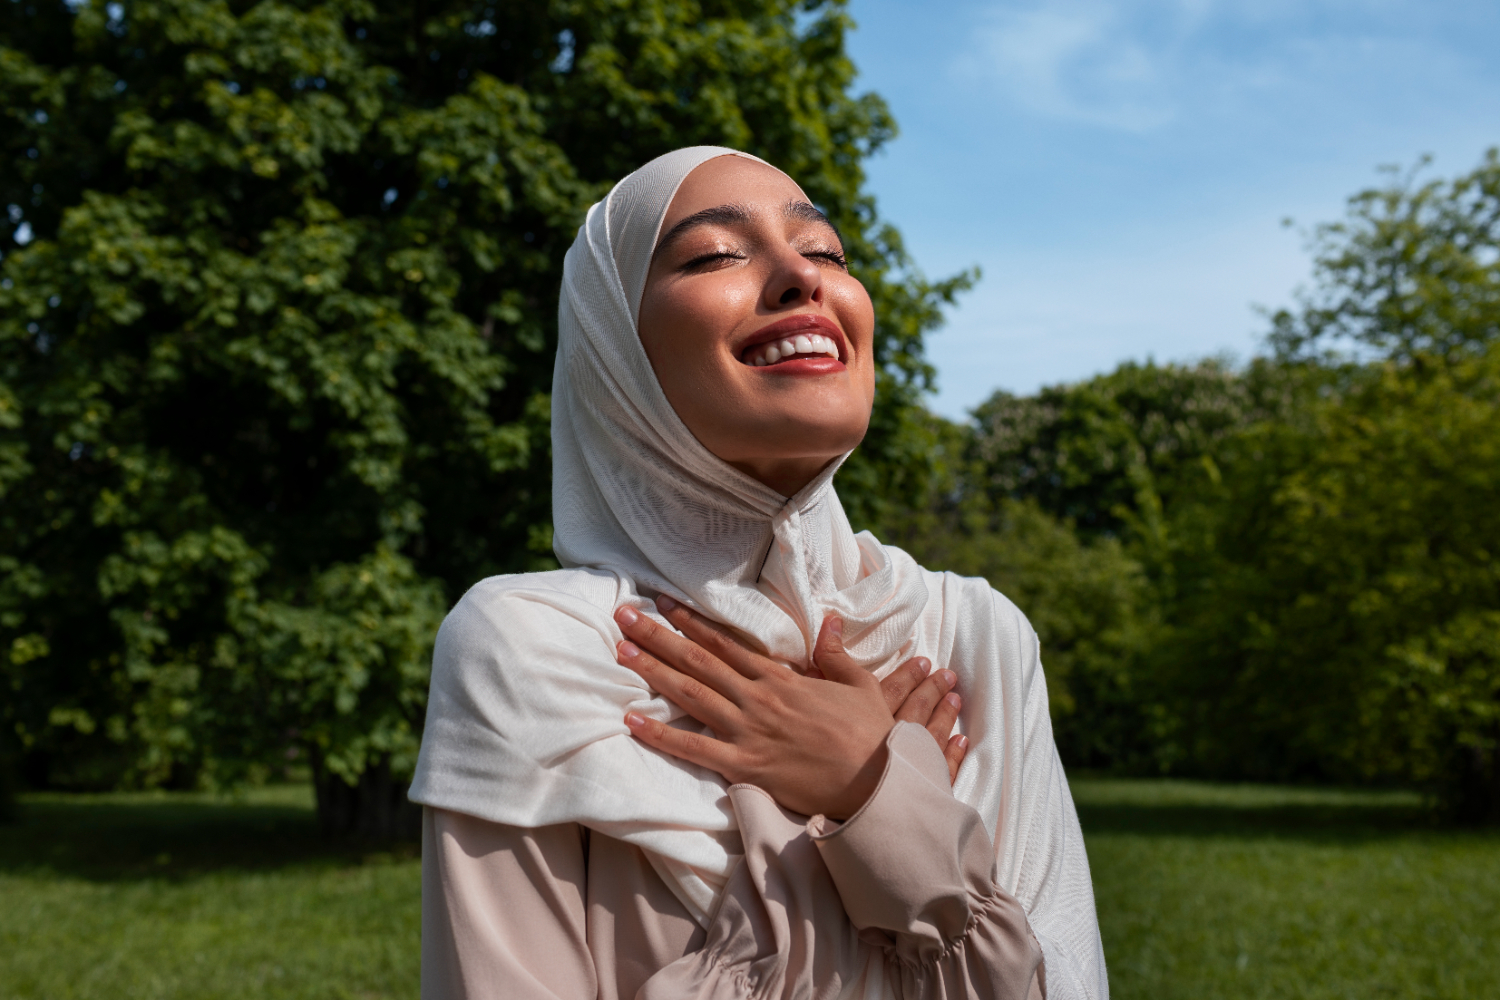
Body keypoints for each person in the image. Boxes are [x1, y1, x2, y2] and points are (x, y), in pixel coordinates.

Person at [408, 147, 1108, 1000]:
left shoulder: (972, 634)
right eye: (713, 256)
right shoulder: (536, 650)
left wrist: (865, 788)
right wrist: (874, 806)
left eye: (825, 252)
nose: (799, 279)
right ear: (614, 353)